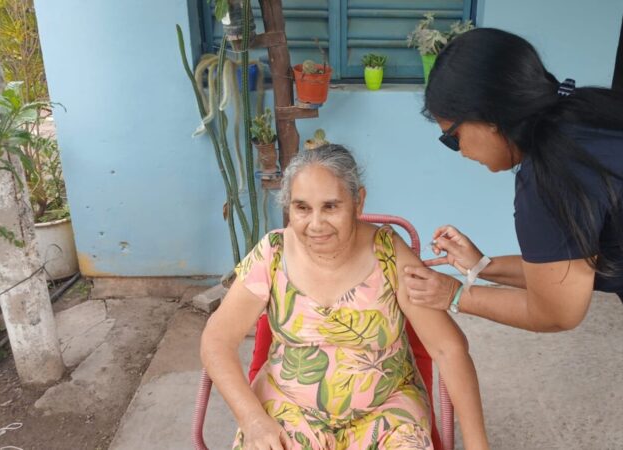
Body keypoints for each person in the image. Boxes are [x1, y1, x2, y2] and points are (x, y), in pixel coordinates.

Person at [404, 28, 623, 449]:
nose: (461, 151)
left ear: (488, 117)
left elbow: (556, 311)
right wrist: (481, 267)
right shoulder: (587, 115)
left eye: (453, 138)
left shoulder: (551, 176)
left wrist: (452, 294)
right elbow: (569, 269)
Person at [201, 144, 488, 450]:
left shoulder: (389, 253)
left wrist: (477, 446)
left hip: (386, 411)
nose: (315, 224)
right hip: (289, 407)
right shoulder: (273, 253)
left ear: (358, 202)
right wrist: (252, 419)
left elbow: (449, 348)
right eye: (302, 208)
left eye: (331, 206)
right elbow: (217, 340)